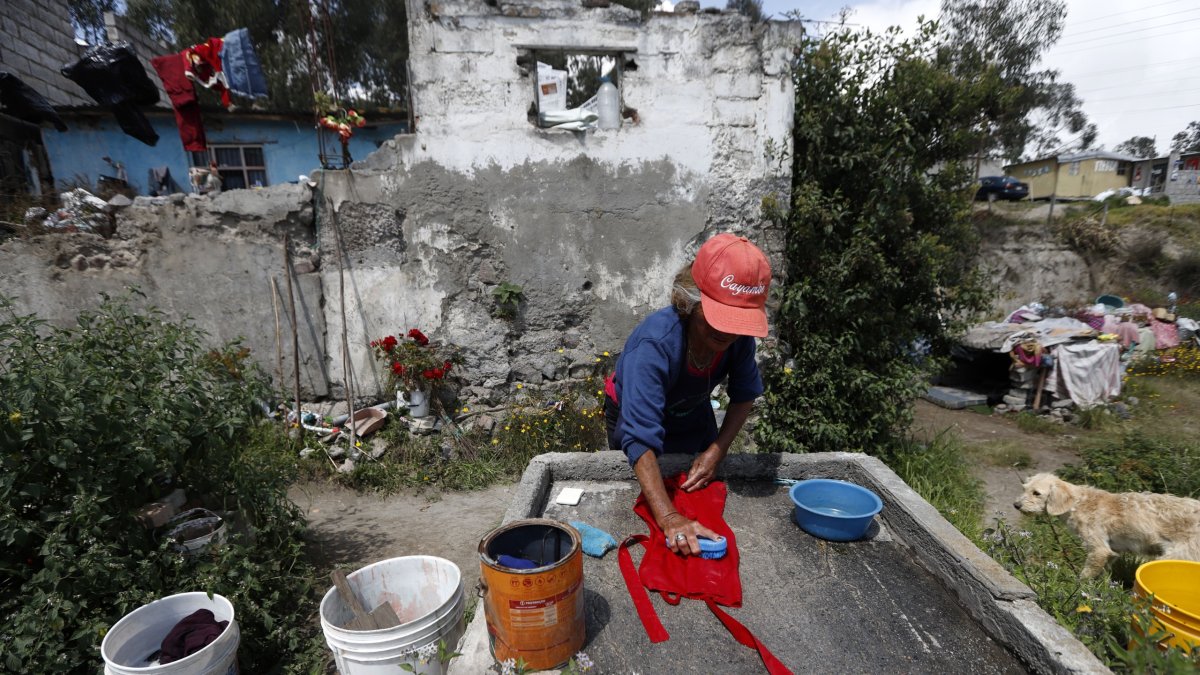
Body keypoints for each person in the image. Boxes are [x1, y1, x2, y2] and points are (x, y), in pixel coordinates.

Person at [604, 233, 770, 557]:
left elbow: (744, 395)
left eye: (739, 321)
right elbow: (639, 437)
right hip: (634, 413)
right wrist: (669, 518)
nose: (728, 332)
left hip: (692, 410)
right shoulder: (654, 345)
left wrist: (716, 451)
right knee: (646, 498)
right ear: (690, 300)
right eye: (720, 316)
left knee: (695, 490)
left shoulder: (737, 340)